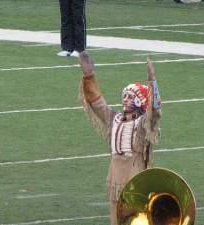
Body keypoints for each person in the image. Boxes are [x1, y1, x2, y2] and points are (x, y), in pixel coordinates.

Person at [78, 51, 162, 225]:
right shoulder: (114, 119)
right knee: (116, 220)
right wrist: (89, 76)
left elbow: (154, 113)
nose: (125, 99)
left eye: (130, 96)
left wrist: (152, 82)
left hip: (136, 180)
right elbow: (96, 102)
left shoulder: (142, 124)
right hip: (115, 180)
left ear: (140, 101)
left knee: (137, 219)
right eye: (124, 95)